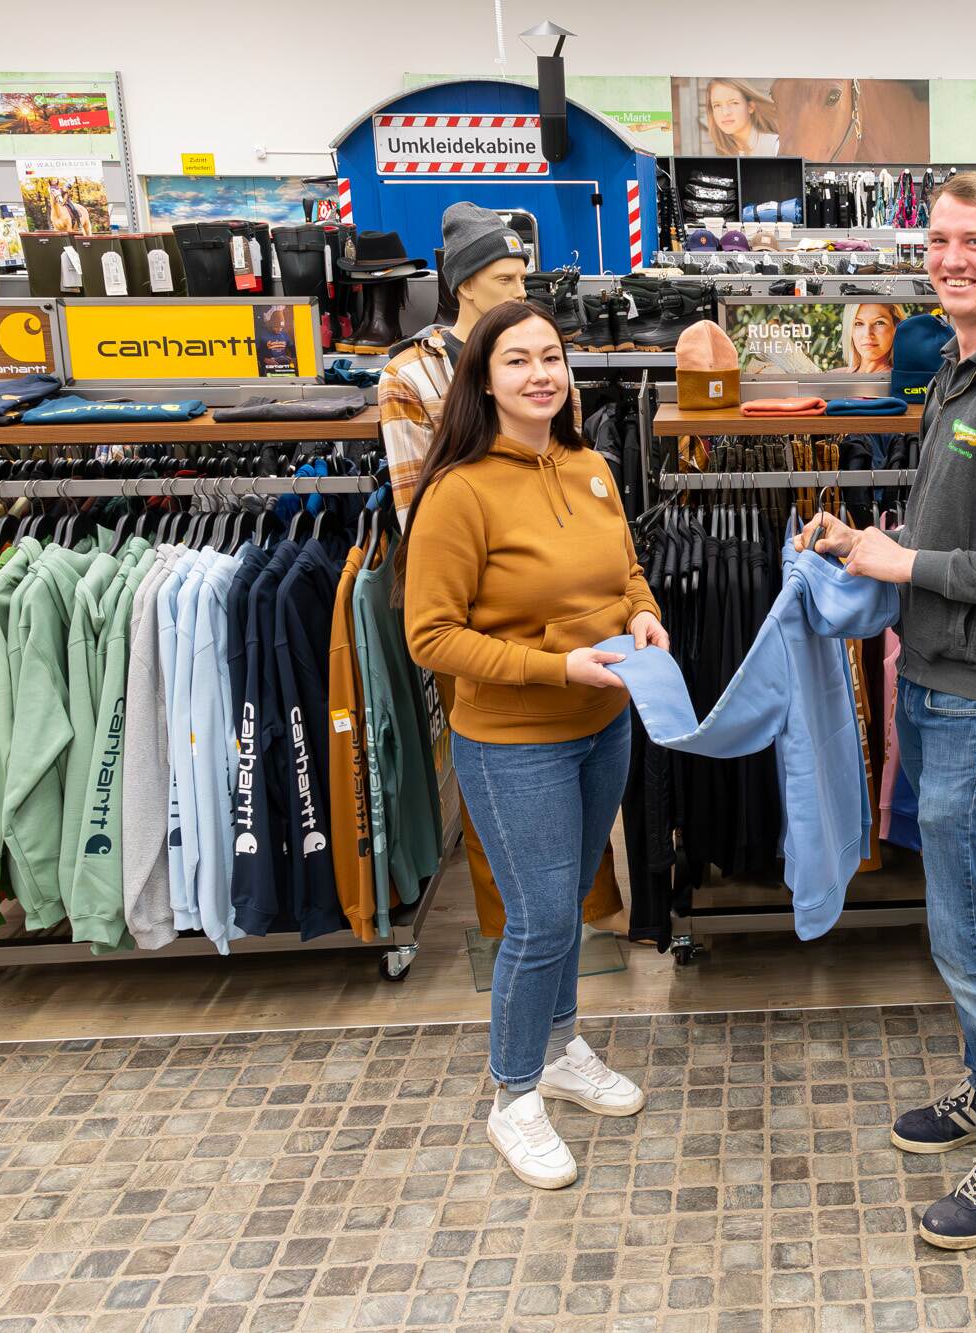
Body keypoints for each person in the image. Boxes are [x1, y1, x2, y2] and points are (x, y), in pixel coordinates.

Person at [797, 172, 976, 1251]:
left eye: (975, 242)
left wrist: (908, 558)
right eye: (939, 240)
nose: (952, 258)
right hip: (933, 679)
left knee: (971, 933)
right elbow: (962, 526)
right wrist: (864, 544)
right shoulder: (958, 370)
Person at [401, 300, 667, 1191]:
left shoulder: (590, 464)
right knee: (542, 918)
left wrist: (644, 615)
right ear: (484, 379)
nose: (540, 374)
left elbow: (626, 570)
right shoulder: (459, 491)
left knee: (570, 907)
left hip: (604, 724)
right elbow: (430, 637)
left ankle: (559, 1049)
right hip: (516, 739)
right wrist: (560, 669)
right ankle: (513, 1096)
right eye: (517, 361)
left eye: (551, 356)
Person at [381, 202, 529, 523]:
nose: (520, 293)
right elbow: (415, 504)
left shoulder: (541, 360)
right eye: (505, 279)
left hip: (538, 552)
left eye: (522, 279)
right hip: (461, 552)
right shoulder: (411, 375)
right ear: (466, 285)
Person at [705, 77, 781, 157]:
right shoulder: (722, 154)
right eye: (717, 105)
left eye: (734, 103)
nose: (725, 112)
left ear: (750, 107)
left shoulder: (775, 147)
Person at [843, 302, 902, 374]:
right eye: (858, 323)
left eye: (879, 323)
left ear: (897, 327)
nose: (867, 333)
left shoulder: (906, 380)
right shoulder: (835, 375)